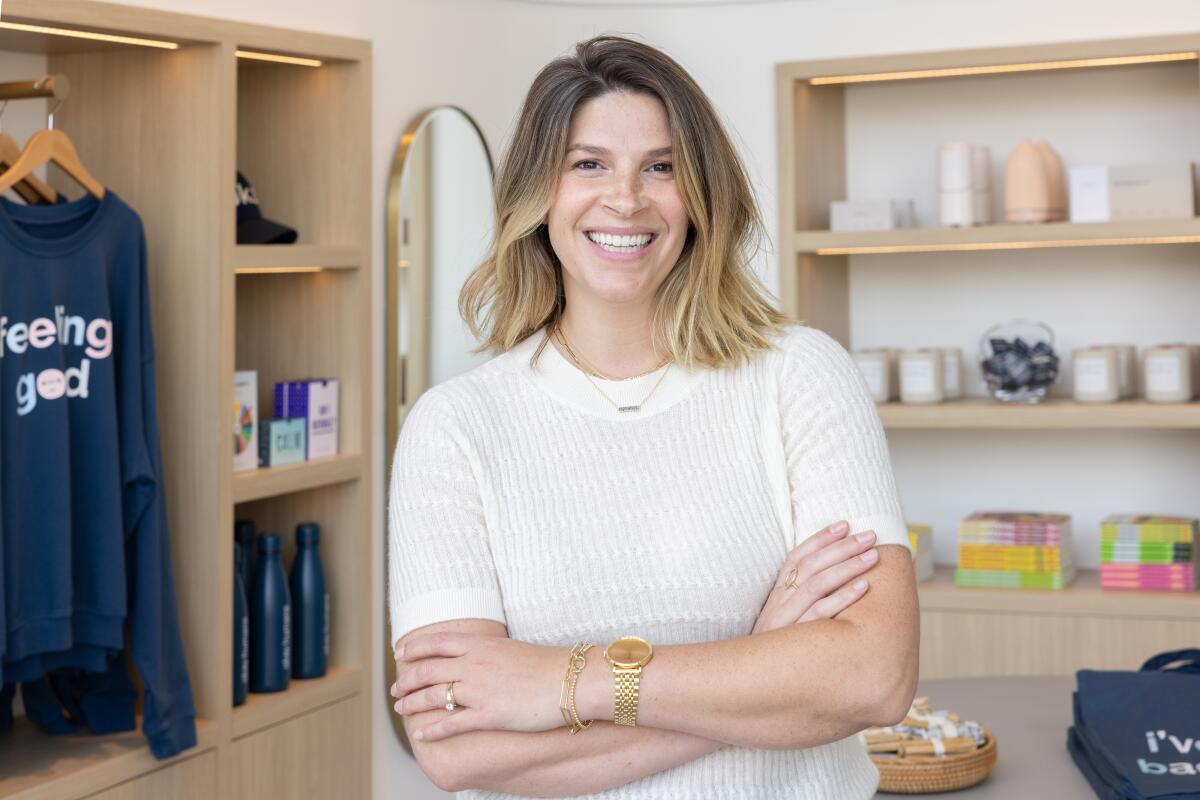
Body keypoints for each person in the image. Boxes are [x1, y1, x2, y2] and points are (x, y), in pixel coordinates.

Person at [388, 34, 919, 799]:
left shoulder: (800, 376)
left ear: (702, 194)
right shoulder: (456, 427)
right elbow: (459, 753)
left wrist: (564, 680)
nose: (626, 198)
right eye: (588, 163)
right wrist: (762, 658)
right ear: (539, 192)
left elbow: (874, 677)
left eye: (660, 167)